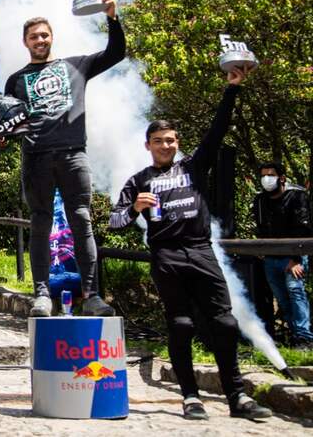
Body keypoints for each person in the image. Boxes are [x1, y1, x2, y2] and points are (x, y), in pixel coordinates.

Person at [109, 65, 272, 420]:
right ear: (148, 146)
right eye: (158, 141)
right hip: (166, 256)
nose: (165, 145)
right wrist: (135, 208)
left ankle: (237, 397)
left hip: (201, 250)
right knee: (180, 324)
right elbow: (115, 223)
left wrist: (232, 90)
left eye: (170, 140)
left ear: (177, 143)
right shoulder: (138, 180)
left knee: (225, 323)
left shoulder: (194, 167)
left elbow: (217, 131)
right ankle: (190, 397)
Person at [4, 0, 122, 317]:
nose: (40, 40)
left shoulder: (76, 66)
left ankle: (92, 295)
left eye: (44, 35)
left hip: (73, 155)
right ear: (25, 42)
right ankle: (41, 294)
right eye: (33, 37)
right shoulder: (15, 81)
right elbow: (8, 122)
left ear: (51, 37)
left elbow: (116, 54)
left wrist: (112, 18)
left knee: (81, 219)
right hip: (36, 159)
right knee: (40, 222)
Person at [253, 162, 313, 347]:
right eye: (263, 175)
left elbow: (303, 228)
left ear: (282, 178)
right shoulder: (261, 201)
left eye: (270, 175)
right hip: (271, 257)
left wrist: (295, 259)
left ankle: (305, 338)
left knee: (296, 292)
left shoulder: (297, 196)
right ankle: (294, 335)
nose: (266, 179)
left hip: (294, 256)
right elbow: (261, 227)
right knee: (281, 298)